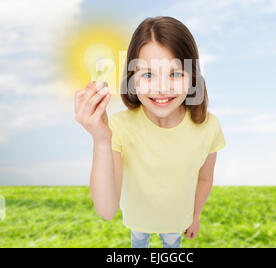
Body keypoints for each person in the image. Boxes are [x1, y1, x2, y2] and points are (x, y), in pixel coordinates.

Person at [74, 16, 226, 248]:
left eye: (175, 74)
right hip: (138, 221)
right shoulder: (118, 128)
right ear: (132, 79)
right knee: (139, 242)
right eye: (147, 74)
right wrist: (101, 139)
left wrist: (195, 216)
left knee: (172, 243)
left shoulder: (209, 126)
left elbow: (205, 178)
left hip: (177, 222)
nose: (162, 87)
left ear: (193, 77)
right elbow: (106, 211)